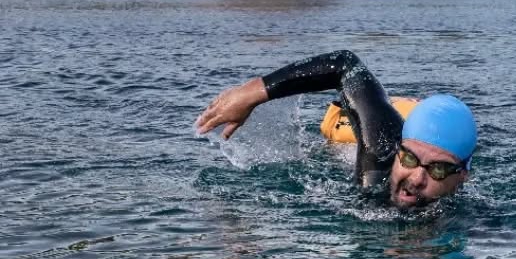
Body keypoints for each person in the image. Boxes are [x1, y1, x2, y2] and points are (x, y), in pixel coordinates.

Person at [195, 49, 477, 211]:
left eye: (438, 170)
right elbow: (345, 65)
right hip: (362, 140)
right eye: (410, 159)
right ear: (399, 150)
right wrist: (251, 93)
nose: (416, 178)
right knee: (340, 148)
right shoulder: (382, 150)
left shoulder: (470, 217)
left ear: (462, 177)